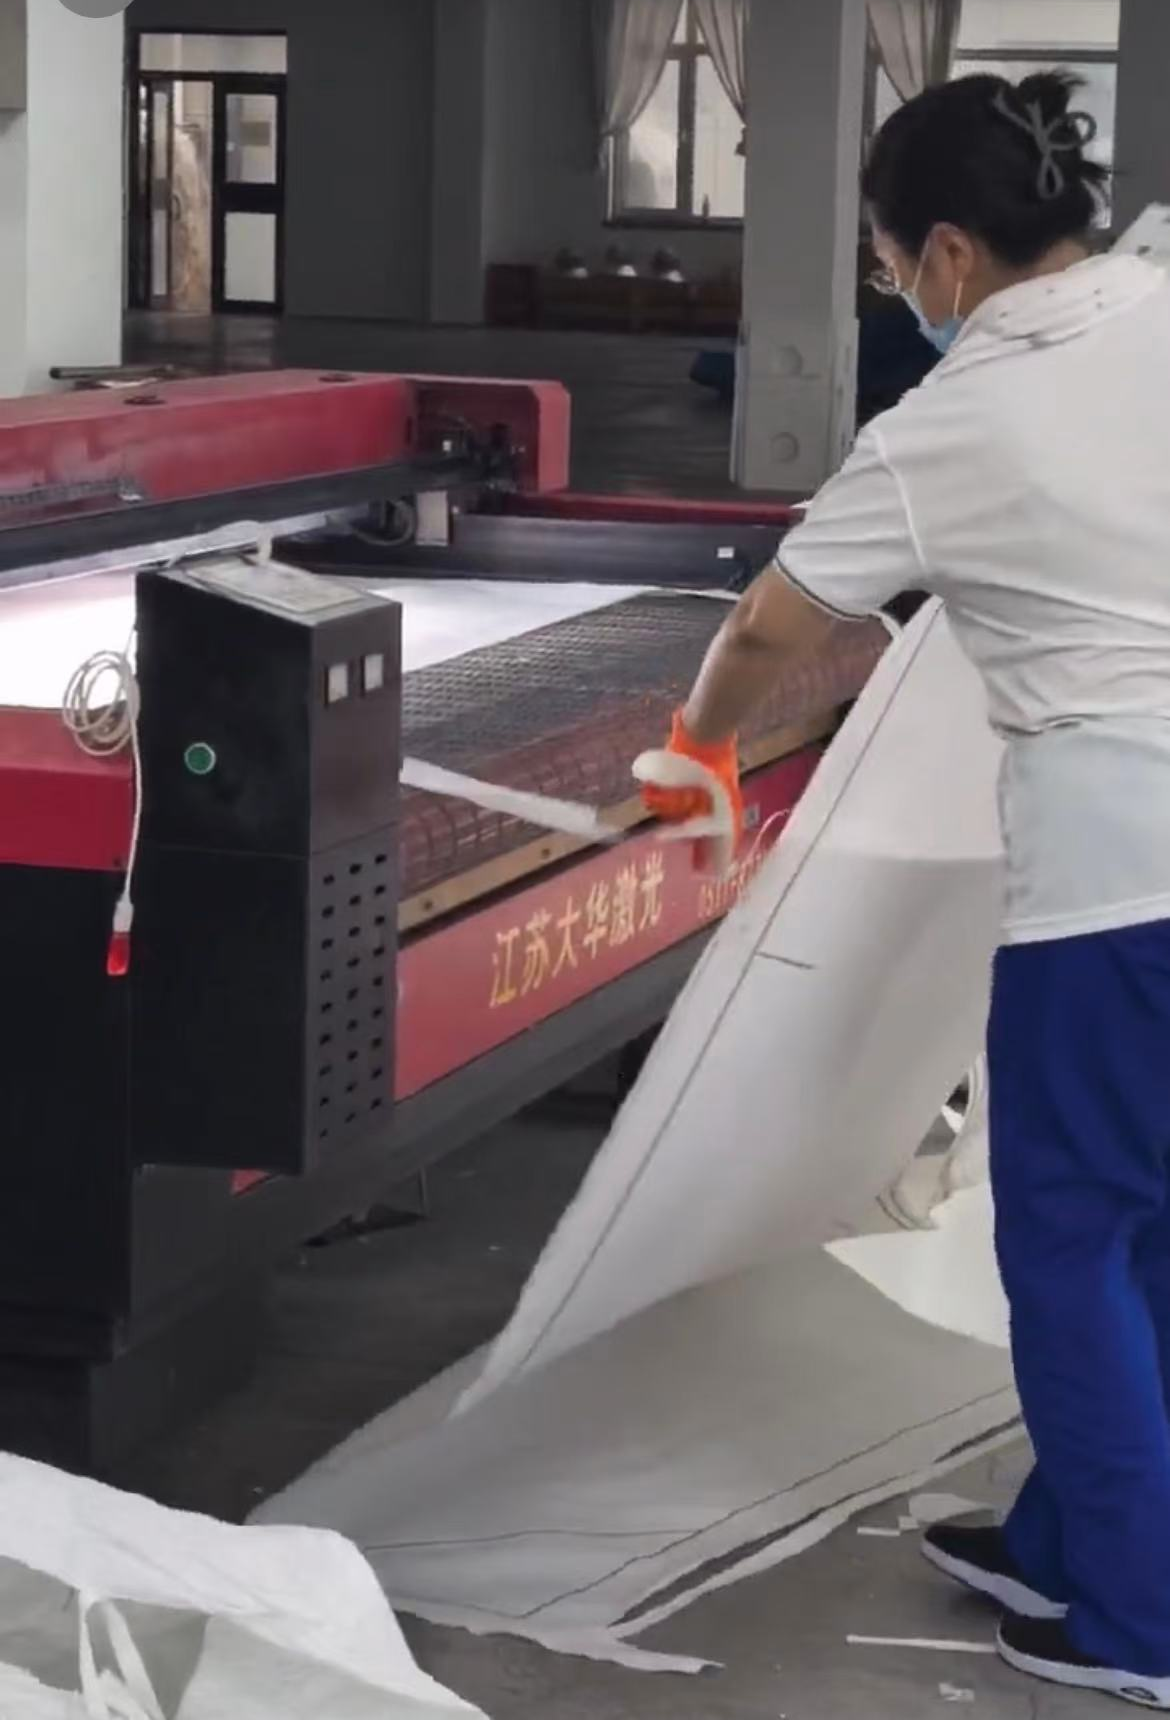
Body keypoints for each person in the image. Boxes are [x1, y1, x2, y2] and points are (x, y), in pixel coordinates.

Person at [641, 71, 1170, 1709]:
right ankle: (1073, 1539)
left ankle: (1138, 1623)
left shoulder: (950, 420)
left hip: (1121, 883)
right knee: (1148, 1225)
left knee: (1070, 1239)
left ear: (945, 251)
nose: (894, 295)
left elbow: (769, 626)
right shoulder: (1157, 303)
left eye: (884, 266)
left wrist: (695, 750)